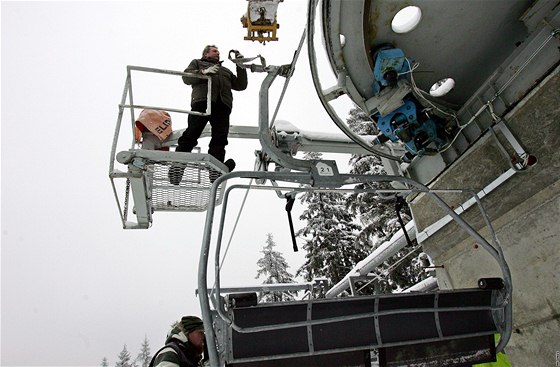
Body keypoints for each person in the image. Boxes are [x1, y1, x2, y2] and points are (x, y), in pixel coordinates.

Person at [169, 45, 248, 185]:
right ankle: (177, 168)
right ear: (206, 53)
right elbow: (187, 78)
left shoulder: (225, 70)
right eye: (214, 51)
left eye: (218, 51)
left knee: (220, 138)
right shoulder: (197, 63)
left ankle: (215, 172)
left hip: (222, 105)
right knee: (192, 133)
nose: (218, 53)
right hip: (203, 101)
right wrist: (204, 72)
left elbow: (241, 85)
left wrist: (240, 66)